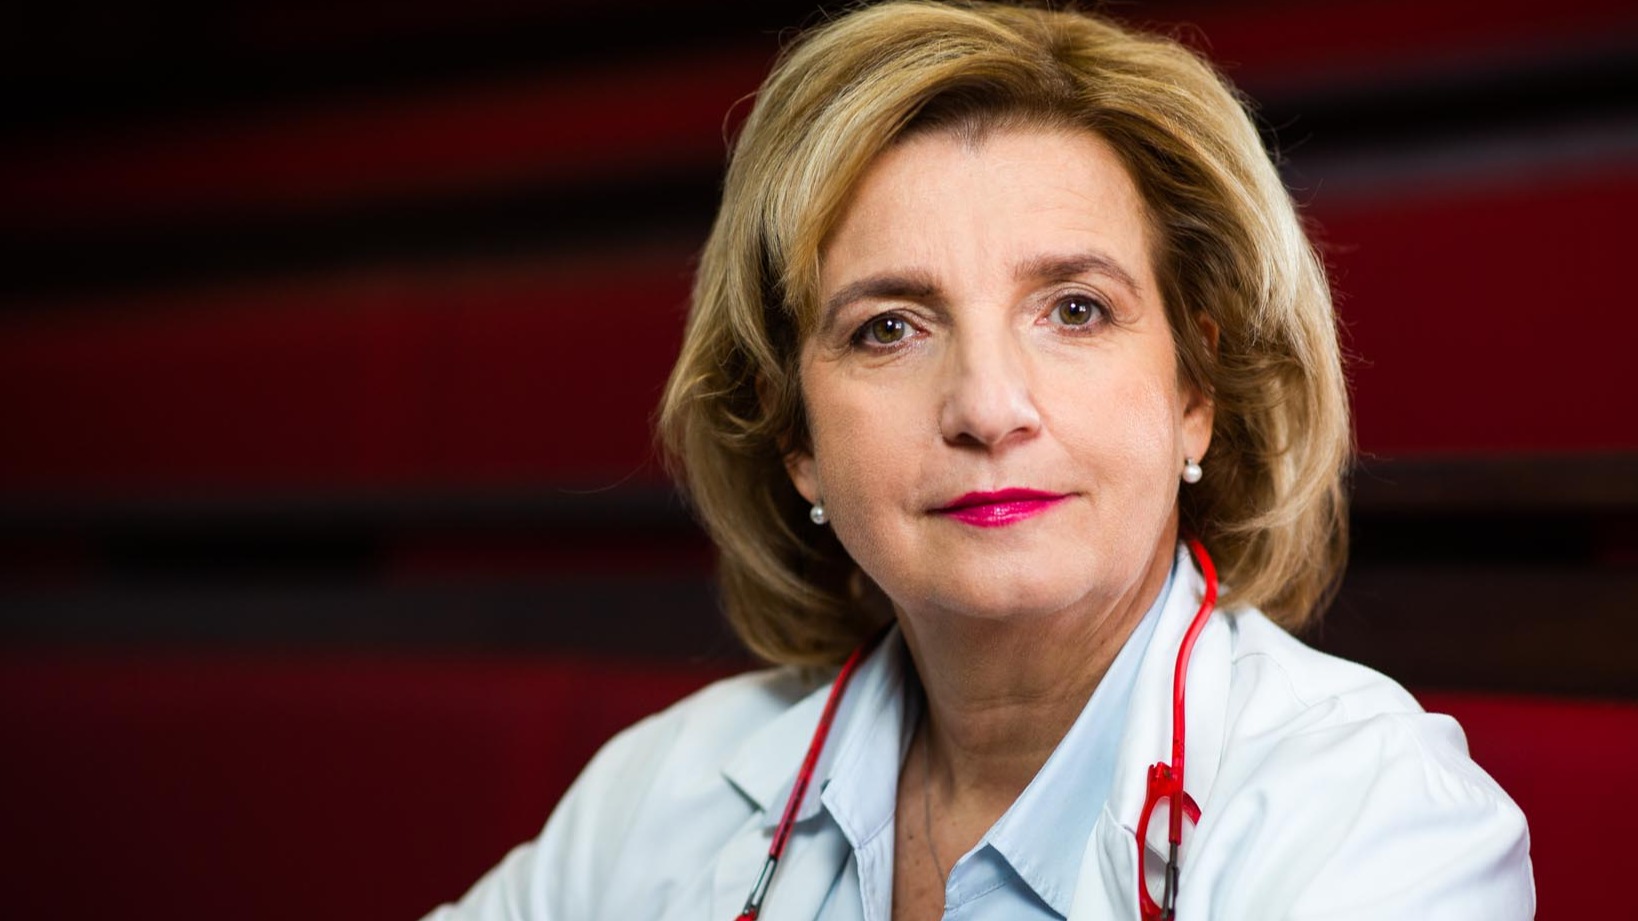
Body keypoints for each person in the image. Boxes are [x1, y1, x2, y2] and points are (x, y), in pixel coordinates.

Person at [426, 2, 1534, 918]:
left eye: (1075, 308)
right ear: (796, 438)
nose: (988, 408)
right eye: (889, 328)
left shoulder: (1374, 817)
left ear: (1197, 393)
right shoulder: (663, 790)